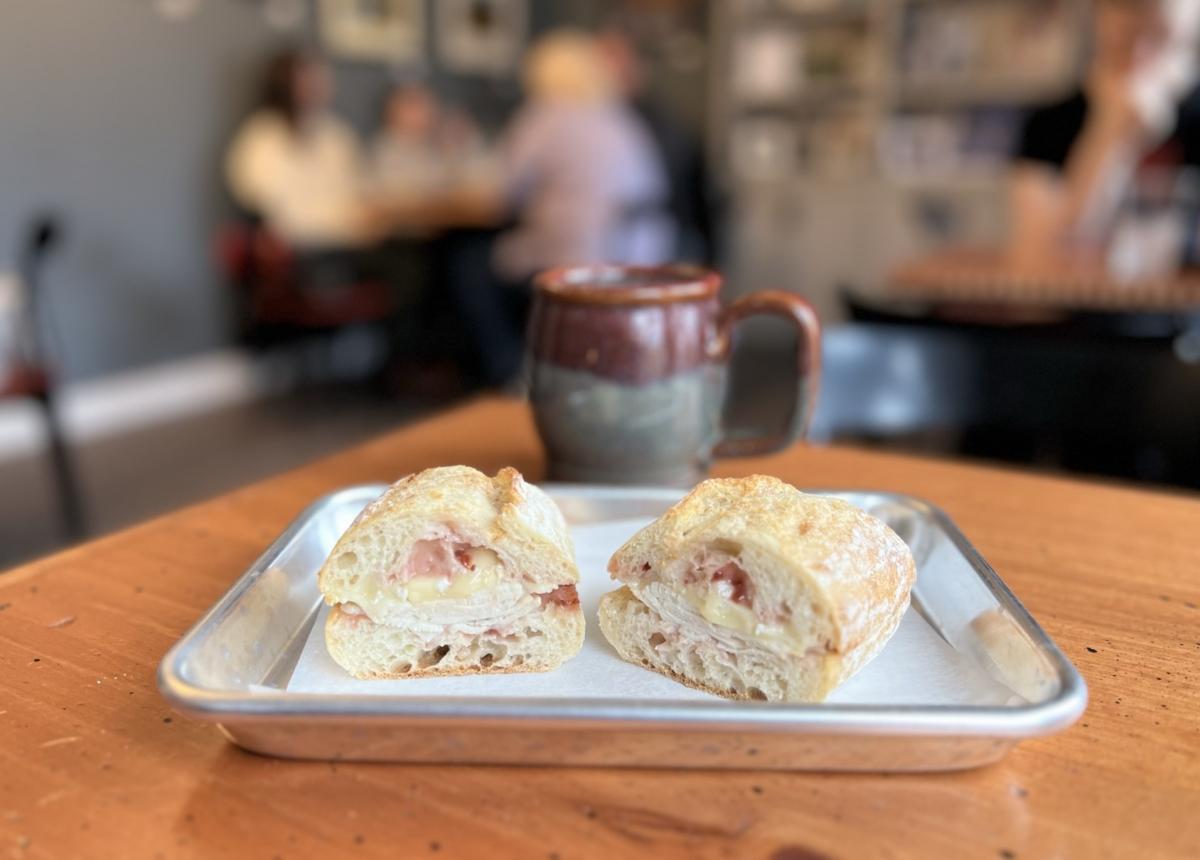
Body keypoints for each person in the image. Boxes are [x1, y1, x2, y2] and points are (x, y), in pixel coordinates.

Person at [1009, 0, 1200, 265]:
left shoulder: (1194, 119)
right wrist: (1109, 130)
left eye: (1158, 37)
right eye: (1126, 37)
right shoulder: (1046, 125)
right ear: (1097, 19)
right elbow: (1039, 259)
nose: (1138, 53)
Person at [493, 30, 674, 281]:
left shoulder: (545, 114)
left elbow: (507, 190)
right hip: (646, 251)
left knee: (471, 262)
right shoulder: (618, 114)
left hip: (579, 253)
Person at [225, 51, 371, 249]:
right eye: (307, 78)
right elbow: (263, 204)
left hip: (349, 240)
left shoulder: (336, 135)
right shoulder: (262, 138)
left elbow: (356, 190)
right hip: (292, 248)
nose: (316, 85)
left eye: (320, 78)